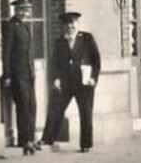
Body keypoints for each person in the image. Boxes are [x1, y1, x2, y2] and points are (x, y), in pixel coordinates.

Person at [41, 10, 102, 152]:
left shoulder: (87, 39)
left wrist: (94, 77)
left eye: (73, 23)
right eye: (67, 24)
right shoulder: (60, 42)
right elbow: (54, 63)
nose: (70, 27)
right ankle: (47, 139)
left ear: (78, 24)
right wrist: (55, 79)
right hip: (66, 83)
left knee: (86, 113)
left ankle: (86, 144)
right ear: (64, 26)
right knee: (55, 108)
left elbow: (96, 60)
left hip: (84, 83)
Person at [1, 0, 39, 154]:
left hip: (28, 73)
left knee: (32, 106)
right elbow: (7, 52)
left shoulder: (25, 27)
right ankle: (24, 141)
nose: (25, 13)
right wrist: (7, 75)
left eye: (27, 10)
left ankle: (31, 137)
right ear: (16, 11)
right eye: (22, 10)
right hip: (17, 74)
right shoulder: (11, 27)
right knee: (23, 107)